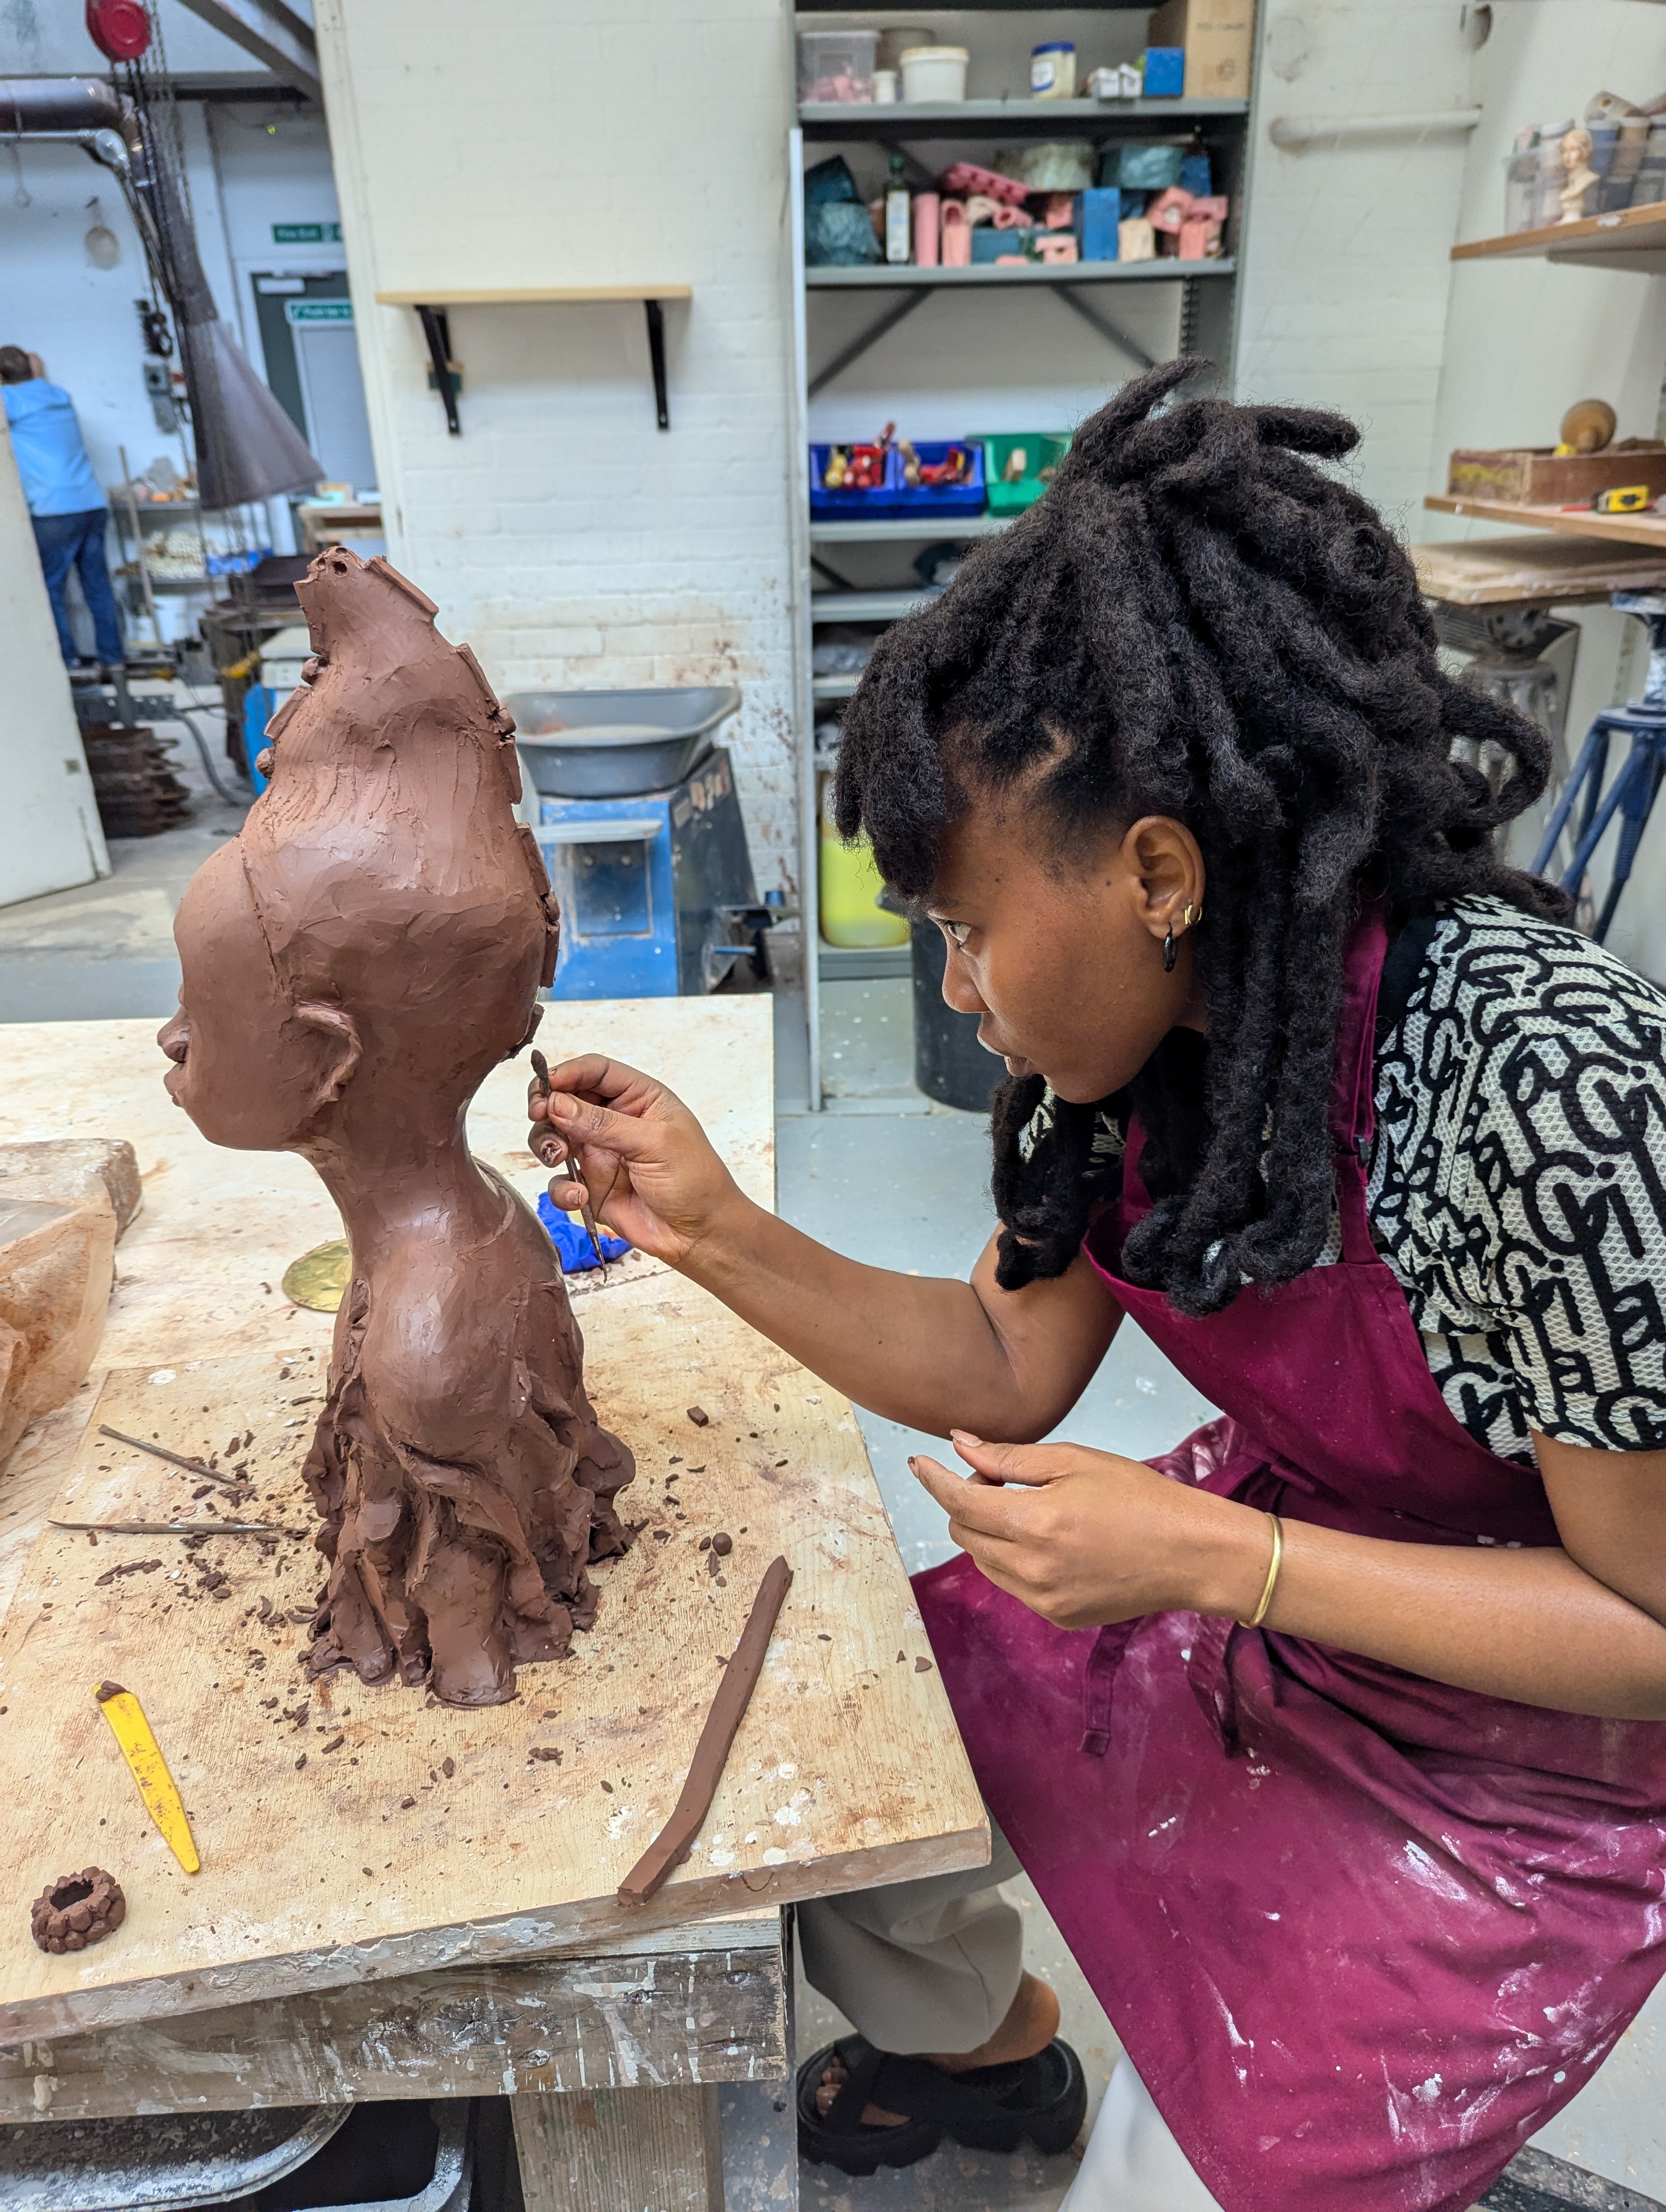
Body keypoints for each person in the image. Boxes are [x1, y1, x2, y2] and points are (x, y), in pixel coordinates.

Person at [527, 361, 1666, 2212]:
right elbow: (1001, 1354)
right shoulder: (1128, 1059)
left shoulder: (1539, 1082)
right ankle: (988, 2052)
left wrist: (1219, 1561)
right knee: (844, 1733)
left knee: (1195, 2167)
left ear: (1154, 873)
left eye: (971, 932)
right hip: (1288, 1585)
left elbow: (1652, 1626)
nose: (961, 990)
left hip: (1535, 1756)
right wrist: (711, 1225)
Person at [1, 343, 125, 669]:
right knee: (97, 587)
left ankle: (67, 663)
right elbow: (34, 368)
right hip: (90, 505)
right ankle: (113, 660)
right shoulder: (59, 396)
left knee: (49, 592)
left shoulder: (9, 402)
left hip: (52, 511)